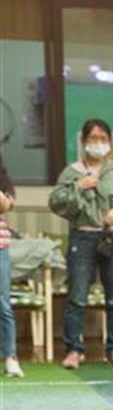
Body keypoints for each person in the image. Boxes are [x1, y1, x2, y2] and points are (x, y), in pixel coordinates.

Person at [49, 118, 113, 369]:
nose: (98, 143)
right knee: (77, 297)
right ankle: (73, 350)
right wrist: (78, 188)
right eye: (93, 139)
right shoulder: (72, 172)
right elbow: (56, 203)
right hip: (82, 237)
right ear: (83, 142)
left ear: (110, 143)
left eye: (103, 139)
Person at [0, 159, 20, 377]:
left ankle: (10, 356)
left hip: (0, 245)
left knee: (3, 303)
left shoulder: (3, 179)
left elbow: (6, 204)